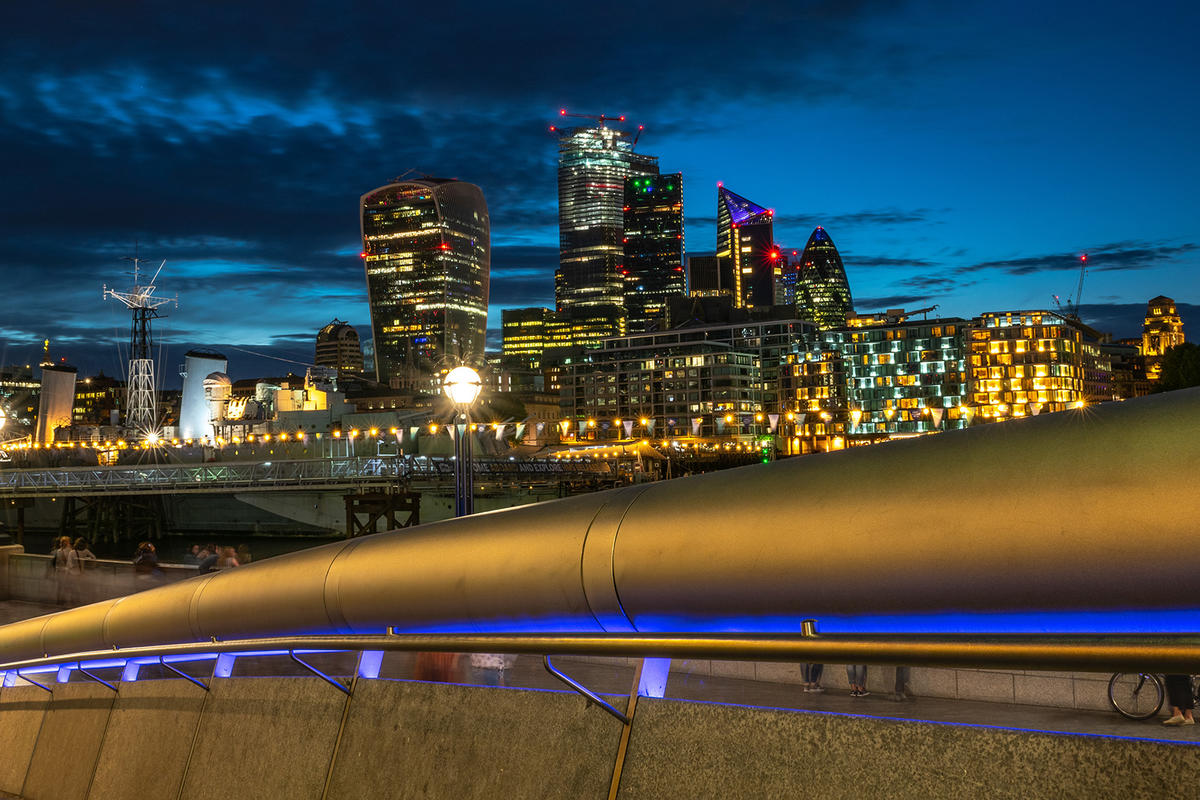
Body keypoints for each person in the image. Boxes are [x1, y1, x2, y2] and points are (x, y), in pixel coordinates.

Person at [51, 535, 80, 605]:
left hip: (60, 571)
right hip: (66, 572)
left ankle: (60, 600)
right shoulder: (70, 551)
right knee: (66, 587)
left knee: (60, 587)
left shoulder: (59, 551)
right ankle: (67, 600)